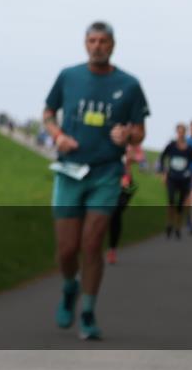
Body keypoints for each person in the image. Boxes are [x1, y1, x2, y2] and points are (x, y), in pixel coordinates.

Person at [43, 21, 149, 341]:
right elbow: (48, 114)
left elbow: (140, 131)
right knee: (66, 249)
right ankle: (69, 288)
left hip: (106, 173)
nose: (97, 46)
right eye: (92, 40)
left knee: (91, 244)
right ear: (85, 44)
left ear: (113, 45)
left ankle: (88, 312)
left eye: (103, 41)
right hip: (70, 170)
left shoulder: (129, 85)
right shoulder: (68, 76)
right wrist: (58, 135)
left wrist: (128, 134)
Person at [159, 123, 192, 238]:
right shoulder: (171, 146)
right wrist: (164, 172)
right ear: (176, 132)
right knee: (171, 201)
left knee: (180, 205)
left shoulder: (190, 149)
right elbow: (162, 157)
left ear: (185, 133)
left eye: (182, 132)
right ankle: (169, 224)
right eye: (178, 132)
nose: (180, 134)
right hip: (172, 177)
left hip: (184, 179)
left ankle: (178, 227)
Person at [106, 143, 142, 265]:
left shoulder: (132, 140)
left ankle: (112, 249)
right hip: (107, 178)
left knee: (116, 213)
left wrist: (132, 157)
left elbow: (140, 157)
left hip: (125, 180)